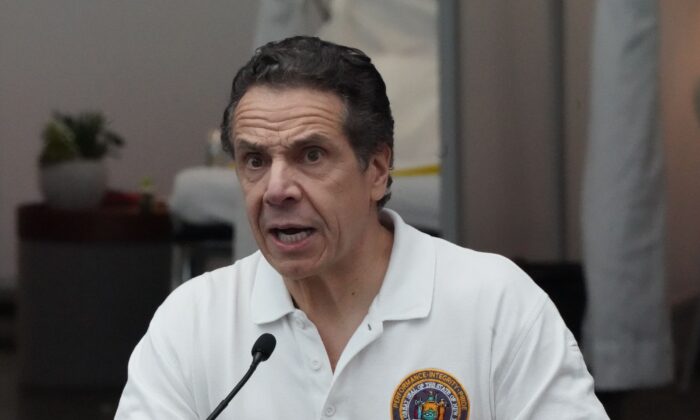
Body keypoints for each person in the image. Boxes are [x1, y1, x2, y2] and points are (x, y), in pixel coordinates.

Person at [115, 36, 608, 419]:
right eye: (255, 160)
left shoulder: (497, 304)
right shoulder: (193, 320)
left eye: (311, 155)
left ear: (376, 170)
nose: (276, 189)